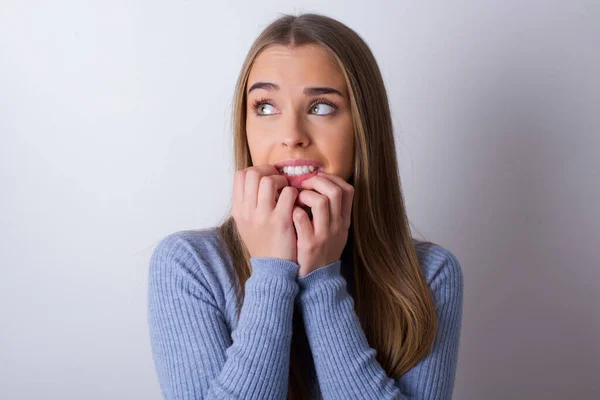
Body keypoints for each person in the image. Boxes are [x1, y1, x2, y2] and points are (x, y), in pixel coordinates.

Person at [148, 12, 463, 400]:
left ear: (364, 127)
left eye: (321, 107)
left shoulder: (429, 276)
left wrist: (322, 280)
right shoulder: (189, 266)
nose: (292, 136)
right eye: (265, 107)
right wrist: (272, 274)